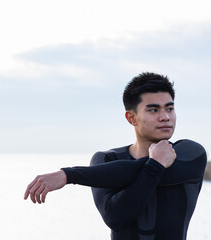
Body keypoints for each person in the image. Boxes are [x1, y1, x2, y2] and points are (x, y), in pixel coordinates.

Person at [23, 72, 207, 240]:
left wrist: (69, 175)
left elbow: (132, 171)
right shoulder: (106, 160)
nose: (165, 117)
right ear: (131, 118)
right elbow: (116, 217)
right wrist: (156, 164)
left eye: (169, 109)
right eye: (153, 110)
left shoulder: (190, 154)